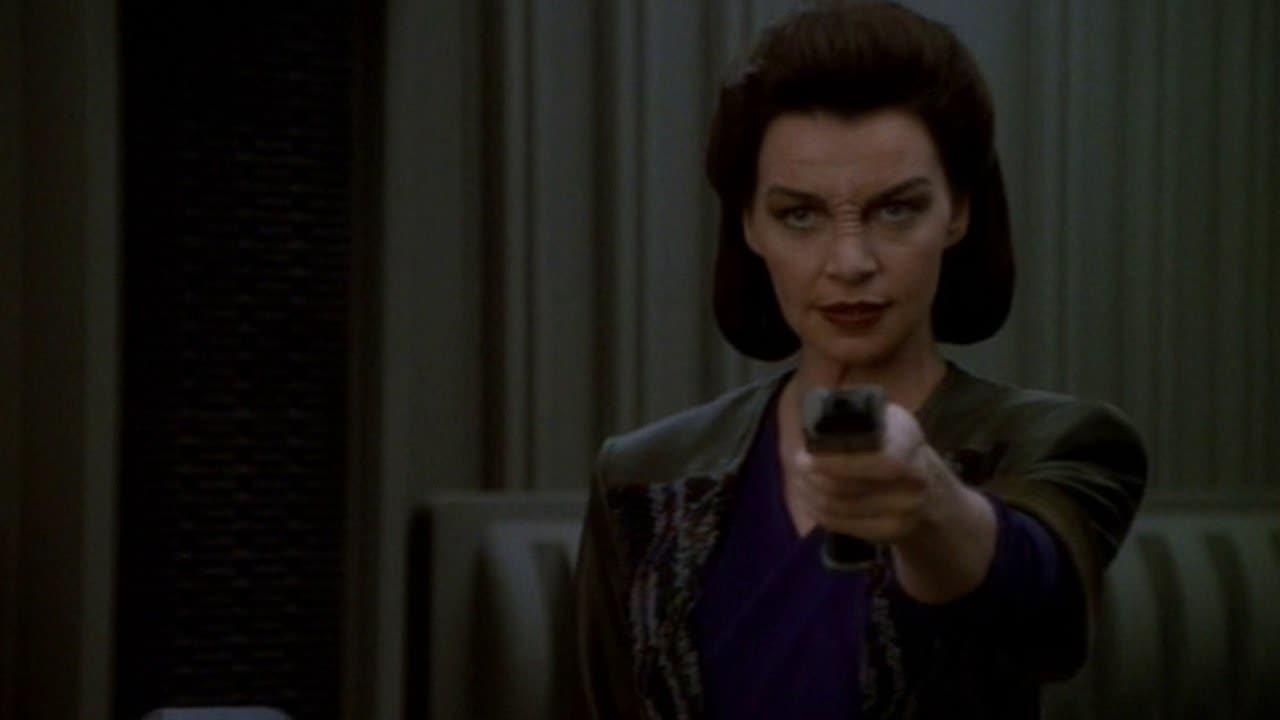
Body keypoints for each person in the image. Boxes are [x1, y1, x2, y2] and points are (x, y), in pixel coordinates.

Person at [572, 2, 1147, 718]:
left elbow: (1039, 598)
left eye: (896, 209)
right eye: (800, 216)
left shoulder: (1059, 443)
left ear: (957, 210)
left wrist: (931, 506)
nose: (849, 262)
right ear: (750, 223)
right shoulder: (644, 477)